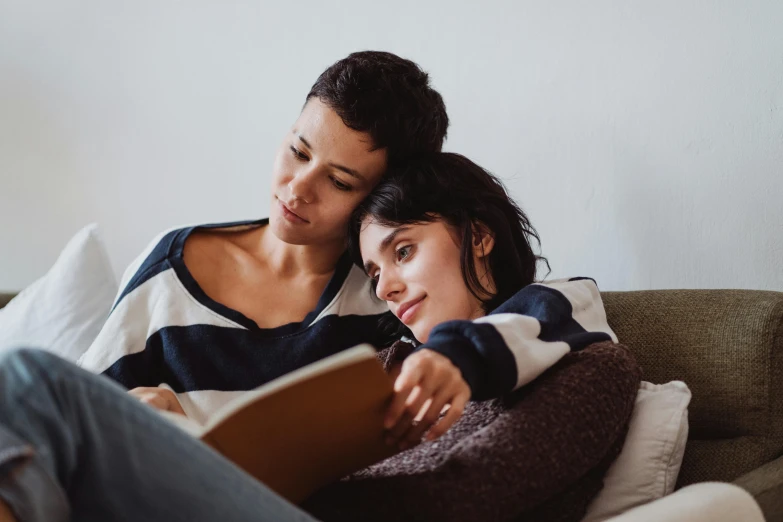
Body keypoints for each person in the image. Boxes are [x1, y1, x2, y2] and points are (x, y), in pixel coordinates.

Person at [0, 152, 620, 521]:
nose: (388, 288)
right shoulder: (386, 366)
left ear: (479, 236)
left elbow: (469, 497)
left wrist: (454, 358)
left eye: (403, 251)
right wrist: (173, 423)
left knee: (31, 381)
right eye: (375, 272)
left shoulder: (589, 359)